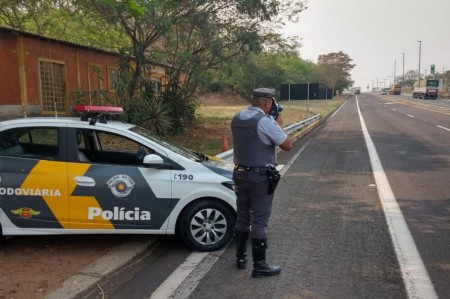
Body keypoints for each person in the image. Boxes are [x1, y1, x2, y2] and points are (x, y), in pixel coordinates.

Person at [231, 87, 292, 278]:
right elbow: (287, 144)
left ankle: (240, 258)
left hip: (239, 173)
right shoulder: (265, 122)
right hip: (259, 177)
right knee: (259, 220)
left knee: (242, 217)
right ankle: (260, 265)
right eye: (272, 103)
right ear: (267, 103)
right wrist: (278, 120)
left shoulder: (237, 117)